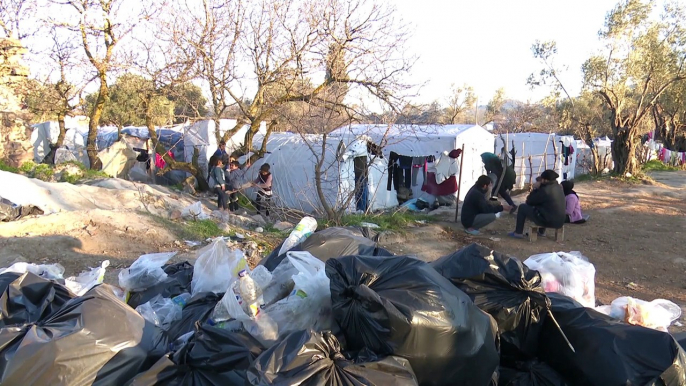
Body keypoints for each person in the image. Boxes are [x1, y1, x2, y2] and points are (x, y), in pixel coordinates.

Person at [508, 170, 566, 239]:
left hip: (549, 221)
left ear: (545, 180)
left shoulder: (545, 190)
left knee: (522, 207)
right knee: (543, 206)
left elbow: (529, 201)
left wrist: (535, 189)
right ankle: (541, 232)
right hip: (560, 221)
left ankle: (518, 232)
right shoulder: (558, 187)